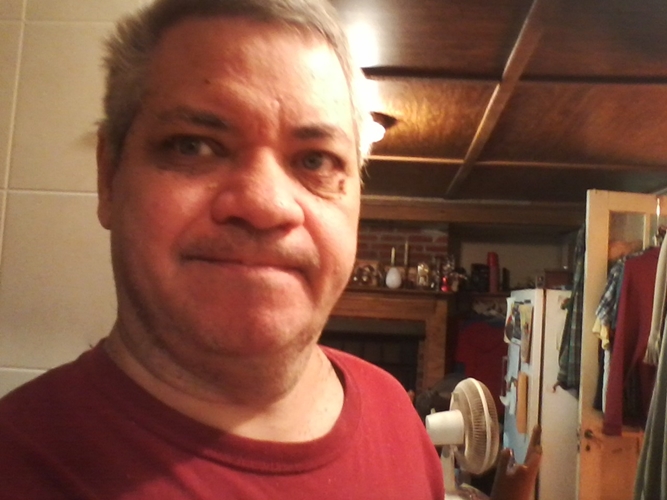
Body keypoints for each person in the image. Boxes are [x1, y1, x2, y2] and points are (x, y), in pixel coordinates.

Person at [0, 0, 445, 498]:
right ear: (109, 177)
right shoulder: (19, 465)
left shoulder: (395, 414)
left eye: (315, 160)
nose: (265, 205)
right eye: (192, 145)